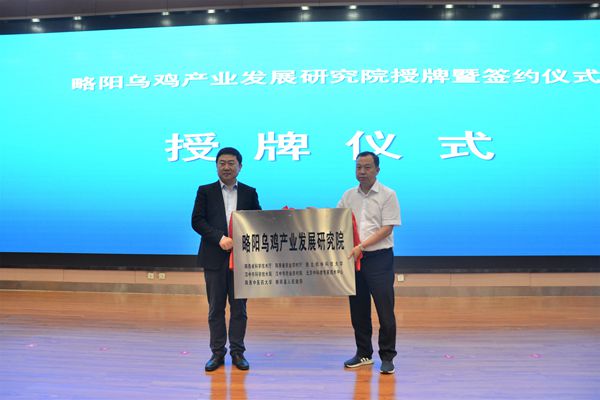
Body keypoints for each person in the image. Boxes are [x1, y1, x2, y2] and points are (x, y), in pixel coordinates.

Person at [192, 147, 261, 372]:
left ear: (240, 166)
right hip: (214, 258)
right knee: (216, 308)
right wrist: (219, 238)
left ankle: (238, 352)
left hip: (242, 260)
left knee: (239, 309)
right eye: (222, 163)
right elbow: (197, 221)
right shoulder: (205, 191)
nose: (226, 167)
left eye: (231, 163)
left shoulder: (249, 192)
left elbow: (258, 221)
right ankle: (217, 353)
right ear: (216, 166)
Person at [337, 151, 401, 374]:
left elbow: (387, 228)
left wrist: (362, 246)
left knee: (385, 310)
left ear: (377, 170)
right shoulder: (348, 195)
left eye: (367, 167)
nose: (362, 172)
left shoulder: (388, 194)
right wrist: (314, 215)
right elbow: (336, 220)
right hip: (355, 260)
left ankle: (387, 356)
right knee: (358, 309)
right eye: (358, 167)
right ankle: (364, 353)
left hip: (379, 259)